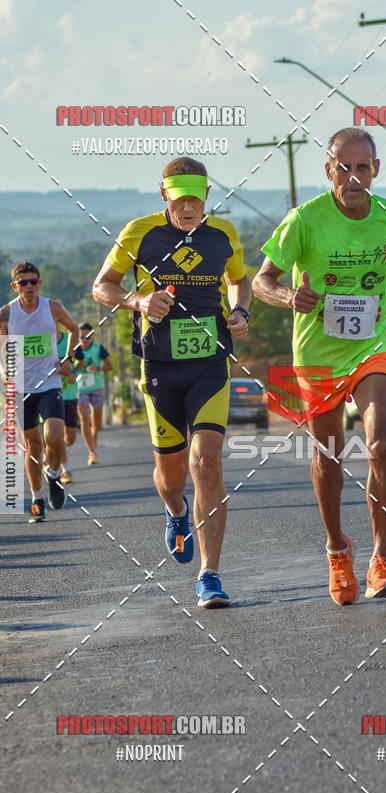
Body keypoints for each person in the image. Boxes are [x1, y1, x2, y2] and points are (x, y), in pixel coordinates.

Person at [253, 127, 386, 606]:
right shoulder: (305, 220)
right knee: (329, 457)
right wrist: (287, 296)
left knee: (381, 445)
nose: (353, 177)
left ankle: (381, 560)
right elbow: (261, 281)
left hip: (373, 344)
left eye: (363, 167)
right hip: (317, 352)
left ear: (375, 170)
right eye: (344, 168)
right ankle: (338, 549)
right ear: (329, 170)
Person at [92, 157, 251, 608]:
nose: (187, 208)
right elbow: (102, 286)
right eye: (179, 199)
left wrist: (240, 312)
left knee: (207, 460)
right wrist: (137, 301)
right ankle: (176, 511)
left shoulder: (222, 235)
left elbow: (240, 282)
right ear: (164, 195)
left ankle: (210, 574)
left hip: (210, 365)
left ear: (206, 198)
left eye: (196, 199)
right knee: (171, 477)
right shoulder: (139, 233)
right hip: (159, 367)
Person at [0, 261, 78, 522]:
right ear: (15, 286)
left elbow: (74, 329)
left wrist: (68, 359)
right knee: (33, 447)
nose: (30, 287)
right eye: (24, 283)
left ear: (39, 283)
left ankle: (53, 475)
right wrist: (2, 371)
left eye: (34, 281)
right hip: (20, 387)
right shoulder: (7, 313)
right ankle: (37, 500)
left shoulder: (52, 307)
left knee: (54, 436)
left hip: (49, 382)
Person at [76, 322, 112, 465]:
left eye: (88, 336)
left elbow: (110, 366)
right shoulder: (74, 349)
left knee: (96, 425)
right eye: (82, 336)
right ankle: (92, 452)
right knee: (84, 419)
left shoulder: (98, 348)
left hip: (97, 386)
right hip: (80, 388)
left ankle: (94, 436)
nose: (85, 339)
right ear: (78, 337)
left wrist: (97, 368)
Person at [56, 327, 84, 483]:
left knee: (70, 438)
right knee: (56, 434)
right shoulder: (42, 341)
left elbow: (82, 360)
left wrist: (74, 374)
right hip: (52, 394)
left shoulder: (69, 340)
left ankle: (53, 453)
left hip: (71, 394)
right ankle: (65, 469)